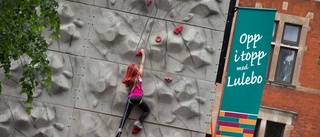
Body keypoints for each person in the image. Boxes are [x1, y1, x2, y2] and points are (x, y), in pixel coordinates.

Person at [117, 49, 150, 135]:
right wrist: (143, 54)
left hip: (130, 99)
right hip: (138, 98)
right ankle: (138, 121)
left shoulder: (129, 80)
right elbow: (142, 64)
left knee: (126, 115)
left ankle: (120, 129)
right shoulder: (139, 76)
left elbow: (128, 87)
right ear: (136, 71)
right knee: (147, 111)